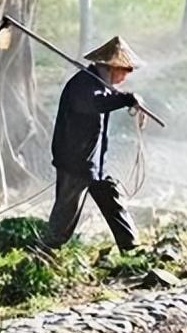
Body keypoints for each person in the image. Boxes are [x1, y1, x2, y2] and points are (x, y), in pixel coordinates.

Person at [44, 36, 144, 253]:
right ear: (113, 66)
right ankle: (47, 249)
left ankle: (131, 247)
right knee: (67, 210)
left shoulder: (100, 85)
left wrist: (125, 98)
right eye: (126, 70)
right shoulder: (84, 84)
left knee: (110, 196)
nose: (126, 76)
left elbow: (103, 103)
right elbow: (94, 105)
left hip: (93, 160)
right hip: (75, 160)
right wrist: (126, 99)